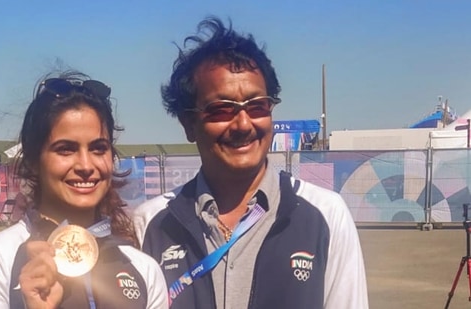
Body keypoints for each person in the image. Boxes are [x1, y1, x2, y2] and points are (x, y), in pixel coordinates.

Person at [131, 16, 369, 309]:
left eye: (257, 106)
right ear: (188, 123)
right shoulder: (149, 225)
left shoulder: (326, 215)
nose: (243, 124)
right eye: (222, 109)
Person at [0, 71, 168, 309]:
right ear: (33, 160)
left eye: (98, 148)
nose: (86, 165)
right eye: (65, 149)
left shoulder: (144, 269)